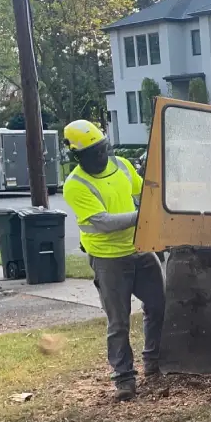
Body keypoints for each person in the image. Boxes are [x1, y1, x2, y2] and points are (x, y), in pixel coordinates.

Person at [62, 120, 165, 402]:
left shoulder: (120, 165)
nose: (100, 155)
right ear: (77, 156)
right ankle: (124, 379)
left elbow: (145, 191)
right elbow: (104, 223)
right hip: (108, 260)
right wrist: (143, 214)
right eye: (93, 152)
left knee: (159, 305)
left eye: (102, 148)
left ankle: (154, 363)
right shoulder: (75, 185)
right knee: (118, 322)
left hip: (140, 249)